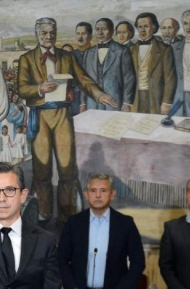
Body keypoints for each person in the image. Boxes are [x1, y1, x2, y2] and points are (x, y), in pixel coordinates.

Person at [18, 17, 117, 223]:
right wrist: (39, 89)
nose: (48, 37)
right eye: (44, 33)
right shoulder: (26, 58)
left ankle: (67, 215)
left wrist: (99, 95)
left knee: (67, 168)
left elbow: (84, 79)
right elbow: (20, 89)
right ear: (37, 34)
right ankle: (43, 213)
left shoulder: (66, 56)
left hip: (63, 115)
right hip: (40, 116)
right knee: (41, 168)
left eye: (52, 33)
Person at [58, 174, 145, 289]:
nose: (98, 195)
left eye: (103, 191)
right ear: (86, 194)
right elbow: (61, 259)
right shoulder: (74, 223)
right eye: (93, 191)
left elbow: (138, 262)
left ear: (112, 194)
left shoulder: (125, 224)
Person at [81, 18, 136, 112]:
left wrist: (127, 103)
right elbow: (83, 81)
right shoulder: (88, 53)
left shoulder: (122, 51)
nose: (100, 32)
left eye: (104, 29)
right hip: (92, 103)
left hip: (114, 102)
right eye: (97, 29)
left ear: (112, 31)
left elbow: (129, 78)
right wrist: (83, 103)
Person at [130, 12, 176, 115]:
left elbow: (170, 78)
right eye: (140, 27)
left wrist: (166, 102)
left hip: (155, 97)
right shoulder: (130, 50)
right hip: (135, 98)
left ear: (154, 28)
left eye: (146, 26)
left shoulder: (165, 49)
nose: (142, 30)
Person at [71, 22, 93, 116]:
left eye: (83, 34)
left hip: (91, 100)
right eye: (78, 33)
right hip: (73, 101)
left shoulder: (96, 54)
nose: (80, 37)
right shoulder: (70, 56)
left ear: (90, 36)